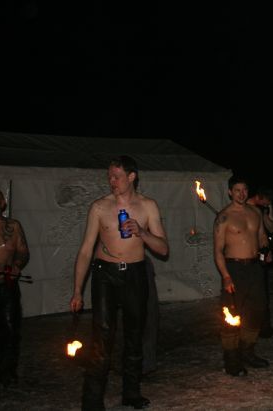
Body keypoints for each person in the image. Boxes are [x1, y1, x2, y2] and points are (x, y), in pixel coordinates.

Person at [69, 156, 169, 410]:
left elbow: (163, 249)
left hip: (135, 274)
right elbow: (85, 251)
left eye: (117, 176)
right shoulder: (100, 207)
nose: (111, 181)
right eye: (110, 177)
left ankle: (131, 393)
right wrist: (77, 290)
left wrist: (142, 232)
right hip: (105, 274)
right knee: (102, 335)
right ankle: (92, 401)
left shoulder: (148, 206)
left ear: (131, 176)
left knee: (135, 334)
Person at [214, 176, 270, 376]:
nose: (241, 194)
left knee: (256, 311)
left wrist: (266, 250)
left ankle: (247, 352)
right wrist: (226, 276)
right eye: (237, 190)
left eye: (244, 190)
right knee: (231, 315)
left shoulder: (255, 212)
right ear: (230, 192)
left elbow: (262, 236)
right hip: (234, 269)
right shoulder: (224, 217)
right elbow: (218, 251)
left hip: (254, 268)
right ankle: (231, 360)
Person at [0, 186, 30, 387]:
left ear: (3, 203)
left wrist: (17, 265)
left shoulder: (14, 226)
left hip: (7, 287)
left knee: (10, 331)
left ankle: (7, 372)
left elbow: (23, 252)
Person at [246, 186, 273, 338]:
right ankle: (248, 326)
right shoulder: (245, 208)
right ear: (259, 196)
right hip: (246, 256)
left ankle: (264, 328)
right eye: (267, 200)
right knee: (249, 294)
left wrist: (269, 209)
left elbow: (271, 228)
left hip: (260, 255)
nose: (268, 203)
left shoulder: (261, 209)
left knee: (262, 293)